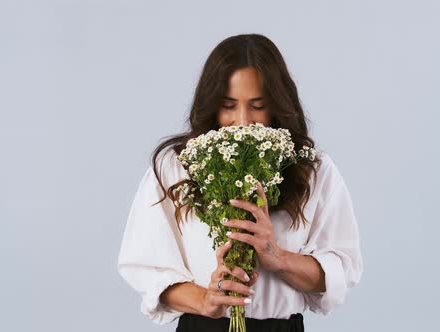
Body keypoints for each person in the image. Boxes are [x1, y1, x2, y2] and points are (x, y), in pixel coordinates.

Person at [117, 33, 363, 332]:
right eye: (229, 105)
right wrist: (206, 299)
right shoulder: (176, 166)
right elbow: (146, 267)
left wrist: (277, 256)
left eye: (258, 105)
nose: (244, 121)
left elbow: (340, 270)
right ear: (211, 105)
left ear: (277, 104)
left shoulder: (312, 169)